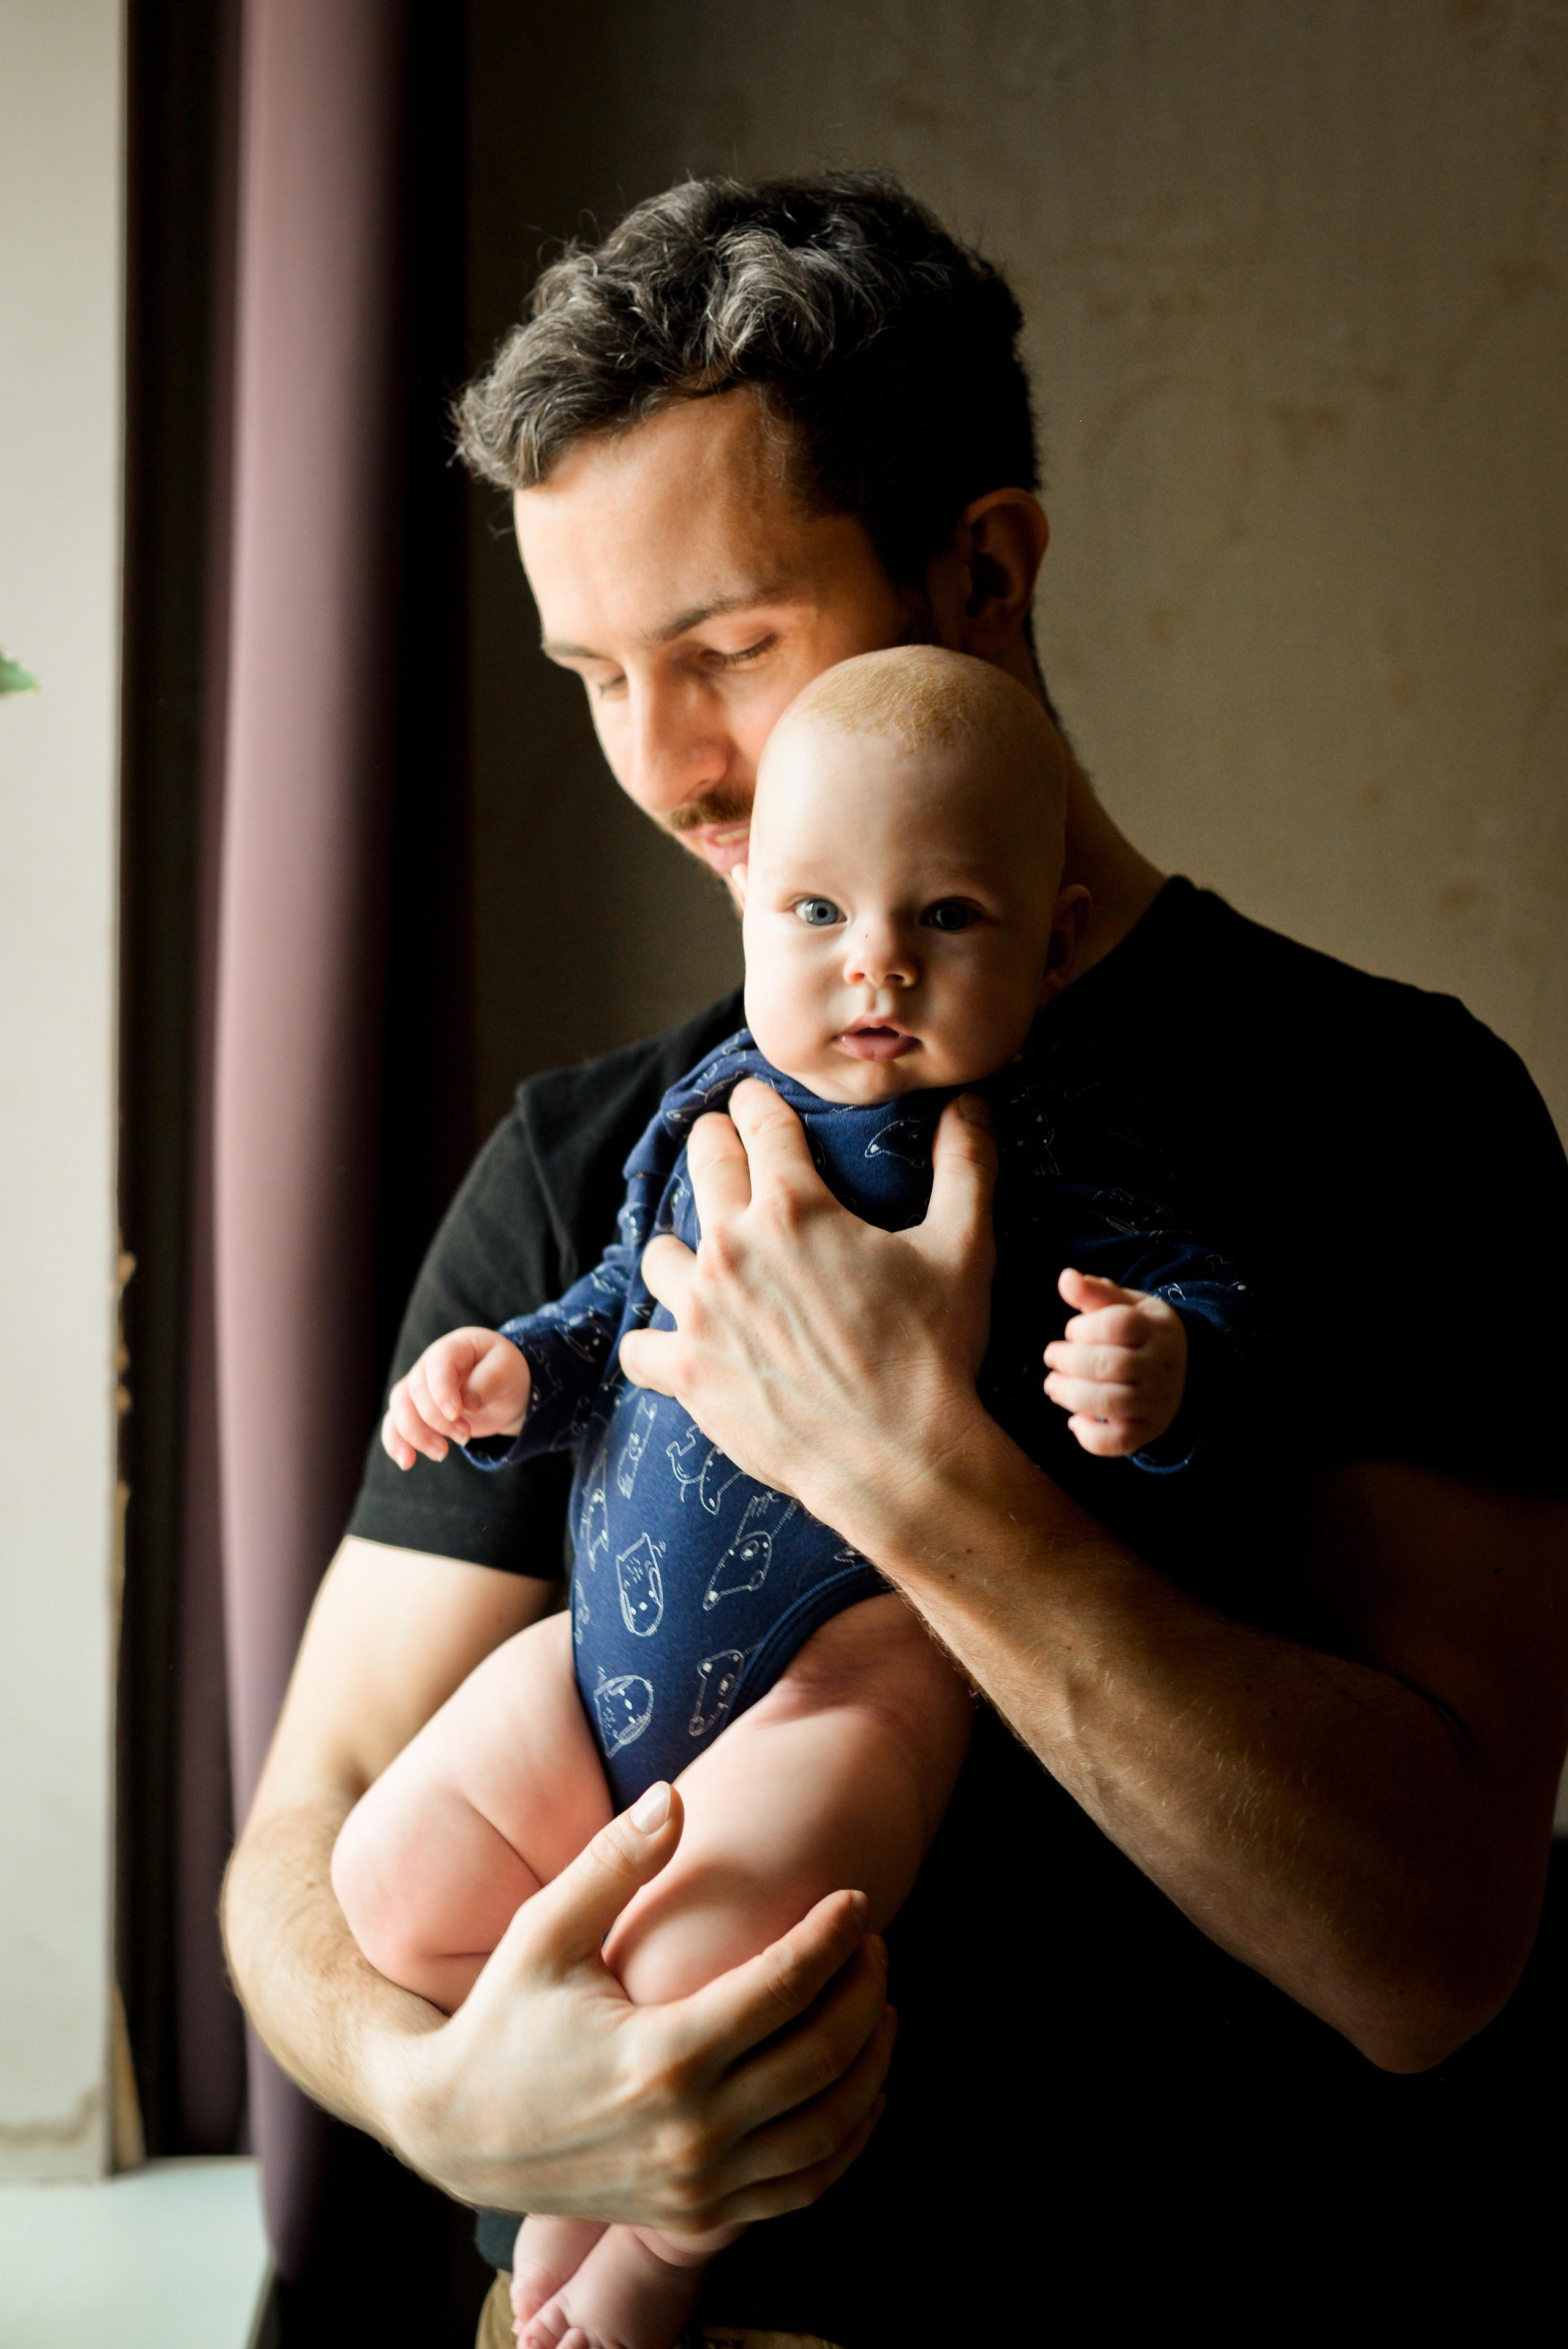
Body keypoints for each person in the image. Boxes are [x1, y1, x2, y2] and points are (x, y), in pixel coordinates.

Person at [222, 173, 1568, 2347]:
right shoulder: (589, 1160)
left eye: (729, 651)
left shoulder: (1390, 1119)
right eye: (597, 676)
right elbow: (310, 1829)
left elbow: (1434, 1959)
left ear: (987, 572)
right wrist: (436, 2094)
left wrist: (910, 1466)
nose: (666, 766)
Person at [333, 647, 1253, 2349]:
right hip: (598, 1665)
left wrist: (1163, 1363)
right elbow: (617, 1304)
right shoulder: (701, 1111)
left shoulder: (1045, 1148)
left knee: (710, 1960)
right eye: (820, 910)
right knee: (391, 1876)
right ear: (749, 903)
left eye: (948, 917)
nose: (876, 962)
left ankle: (640, 2262)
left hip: (848, 1676)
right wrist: (513, 1375)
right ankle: (561, 2120)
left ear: (1053, 943)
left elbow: (1197, 1291)